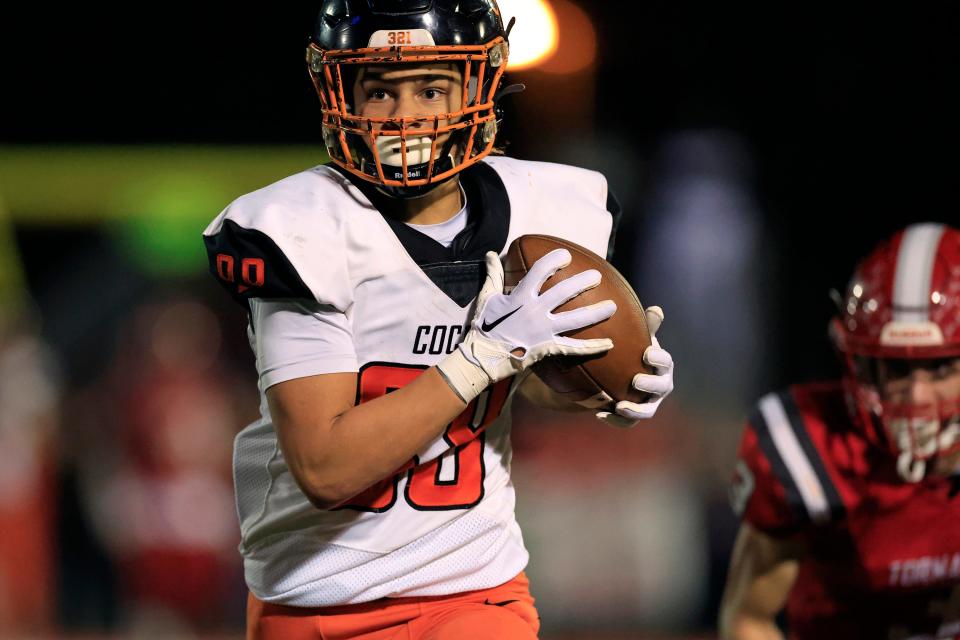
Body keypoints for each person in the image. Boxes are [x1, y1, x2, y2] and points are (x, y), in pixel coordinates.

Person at [202, 1, 675, 638]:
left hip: (476, 589)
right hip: (317, 594)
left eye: (430, 87)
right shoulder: (302, 229)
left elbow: (518, 381)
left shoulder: (546, 205)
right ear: (340, 91)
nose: (406, 117)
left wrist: (601, 384)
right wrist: (484, 354)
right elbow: (324, 468)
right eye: (379, 91)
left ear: (479, 85)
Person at [719, 222, 960, 639]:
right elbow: (749, 619)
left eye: (940, 367)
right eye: (896, 367)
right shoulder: (810, 447)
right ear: (860, 364)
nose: (917, 394)